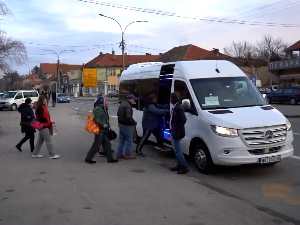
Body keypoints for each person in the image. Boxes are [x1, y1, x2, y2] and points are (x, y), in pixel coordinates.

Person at [85, 96, 118, 164]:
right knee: (96, 145)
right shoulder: (99, 109)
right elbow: (96, 119)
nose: (106, 102)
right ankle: (88, 158)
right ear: (101, 101)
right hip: (100, 130)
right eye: (104, 101)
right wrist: (103, 124)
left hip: (103, 130)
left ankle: (110, 159)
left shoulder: (101, 108)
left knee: (107, 145)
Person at [169, 92, 189, 174]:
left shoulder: (178, 108)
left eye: (171, 98)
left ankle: (184, 166)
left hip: (177, 132)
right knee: (176, 150)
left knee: (178, 150)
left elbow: (183, 119)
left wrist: (176, 129)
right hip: (174, 131)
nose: (170, 100)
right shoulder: (176, 106)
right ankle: (179, 165)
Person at [116, 94, 137, 160]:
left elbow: (118, 114)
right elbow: (128, 117)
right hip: (126, 125)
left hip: (121, 124)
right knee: (129, 140)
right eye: (133, 99)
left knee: (121, 140)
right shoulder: (128, 106)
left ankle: (119, 154)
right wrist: (134, 122)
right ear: (130, 99)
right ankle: (127, 155)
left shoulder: (122, 104)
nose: (134, 101)